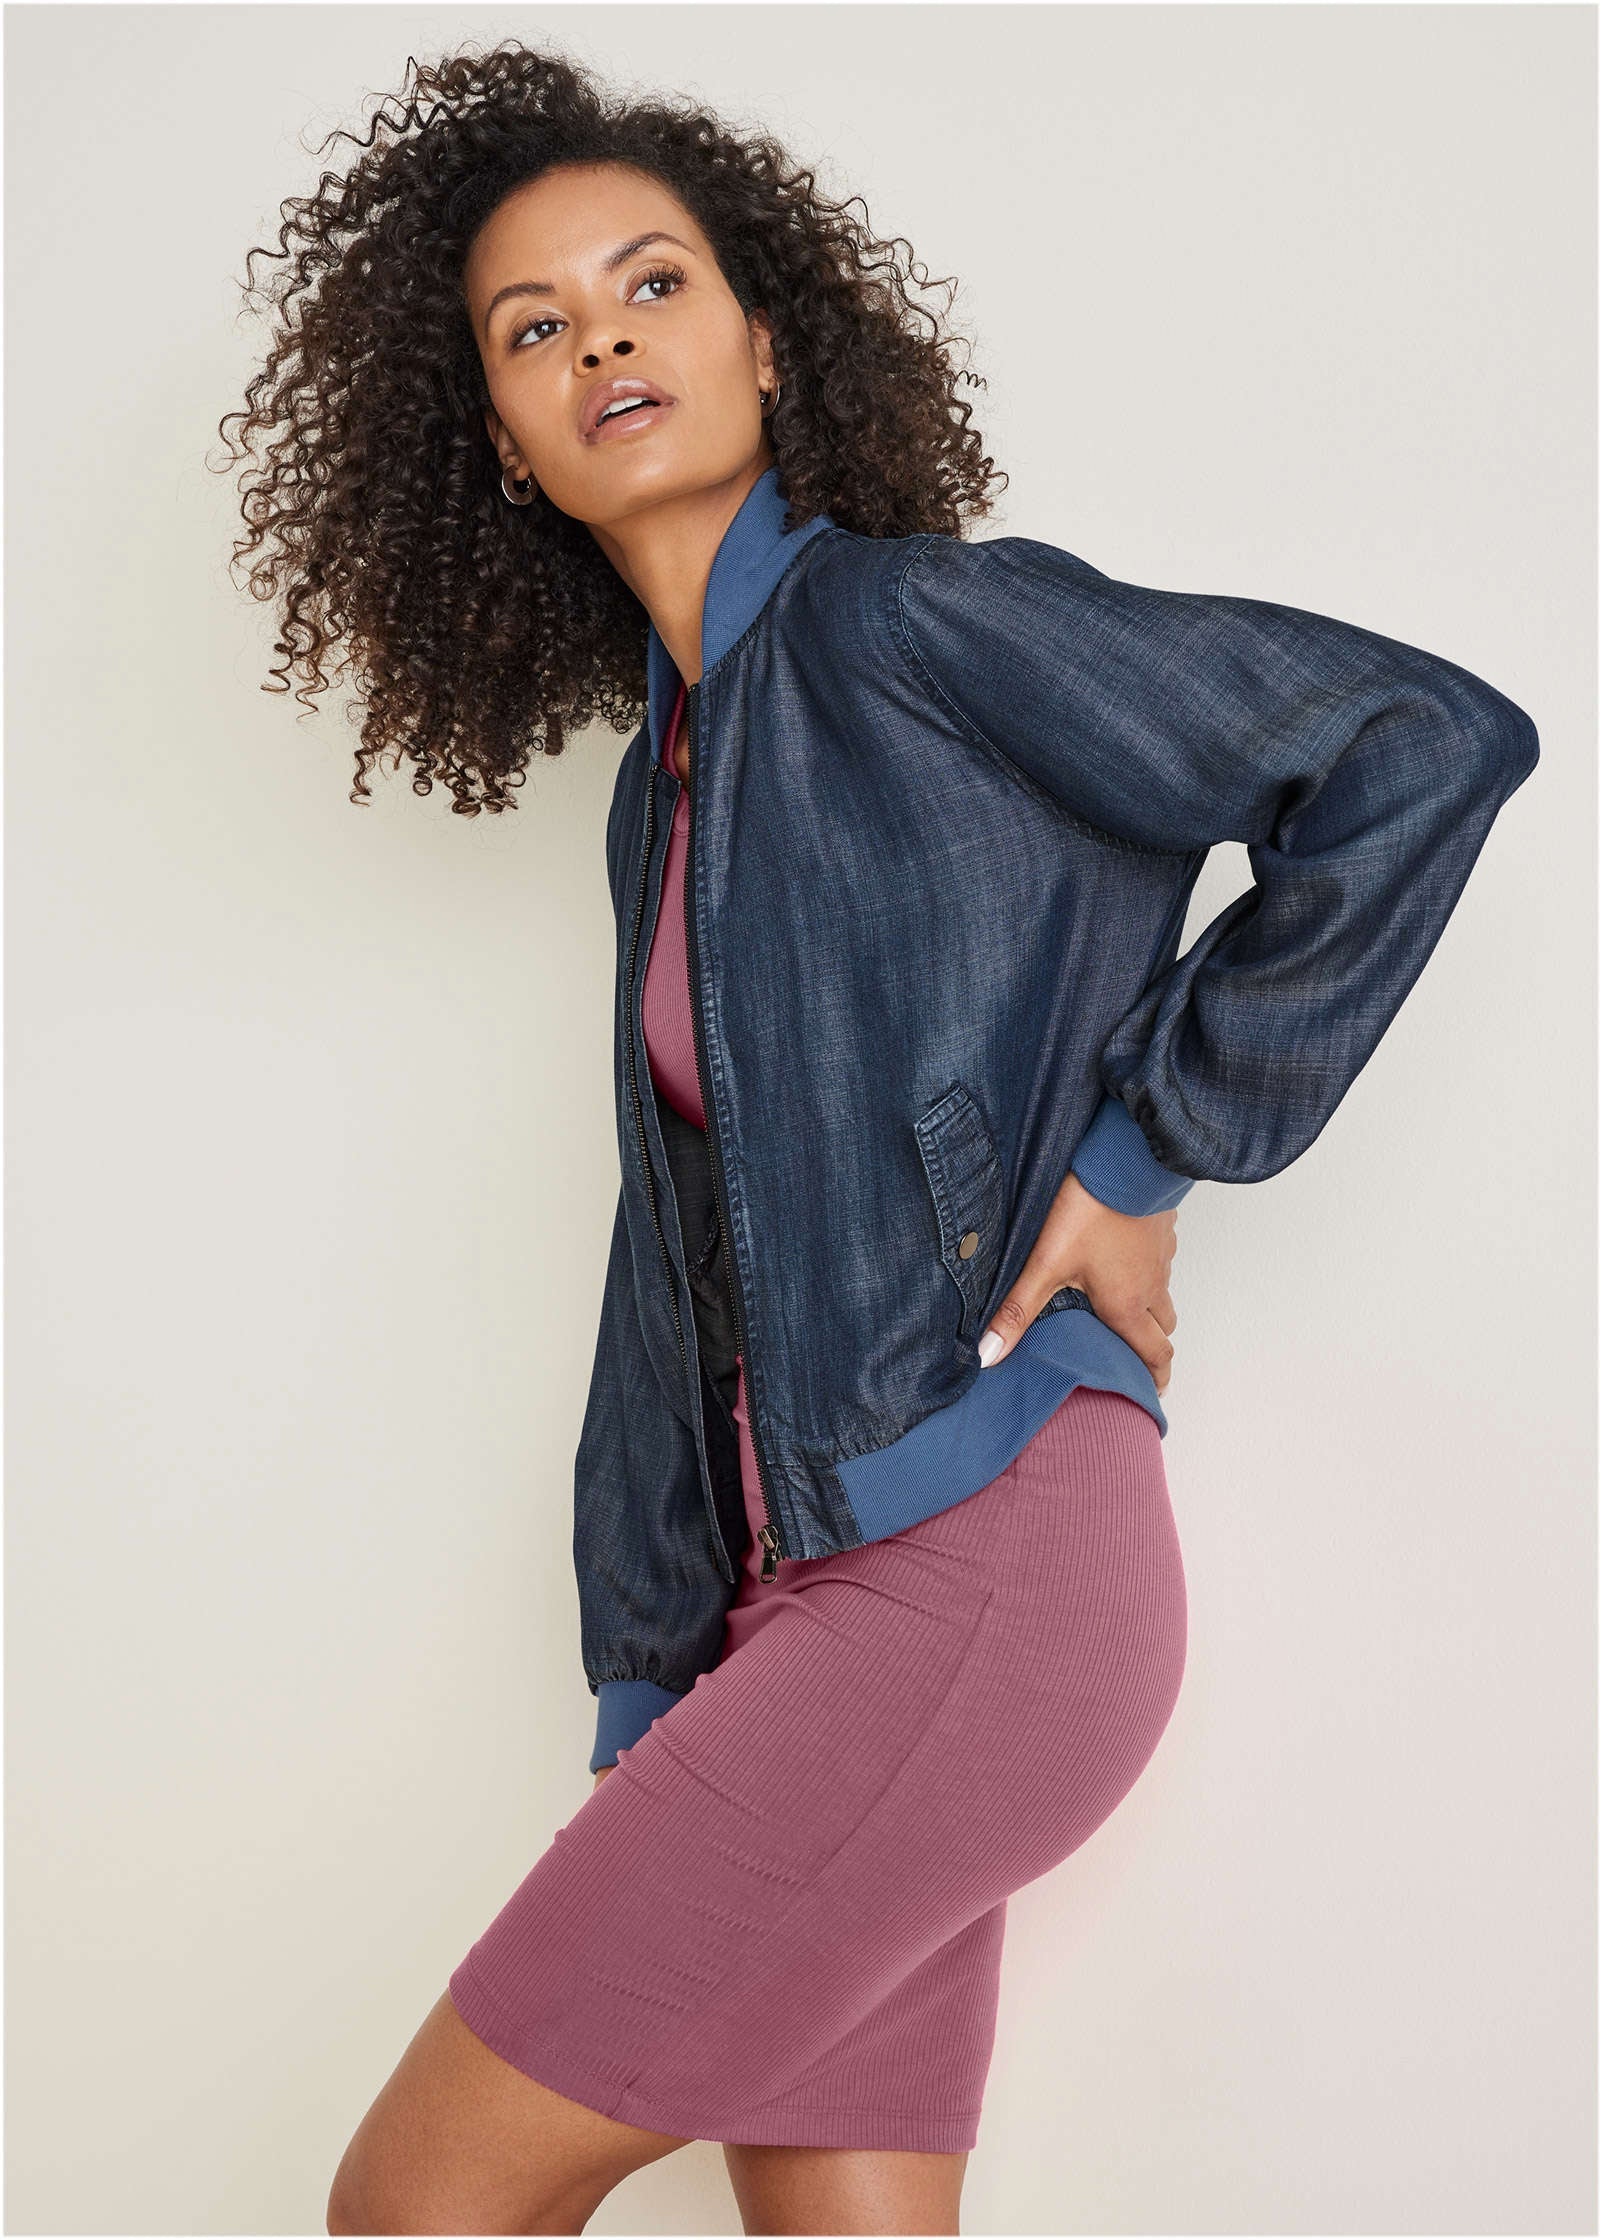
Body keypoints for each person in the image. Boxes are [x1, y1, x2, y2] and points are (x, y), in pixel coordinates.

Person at [219, 43, 1540, 2239]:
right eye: (535, 328)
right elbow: (673, 1258)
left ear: (764, 339)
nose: (602, 341)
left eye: (651, 284)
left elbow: (1419, 745)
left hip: (970, 1561)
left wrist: (1150, 1153)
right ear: (503, 447)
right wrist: (658, 1658)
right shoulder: (667, 783)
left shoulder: (908, 629)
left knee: (417, 2206)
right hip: (807, 1604)